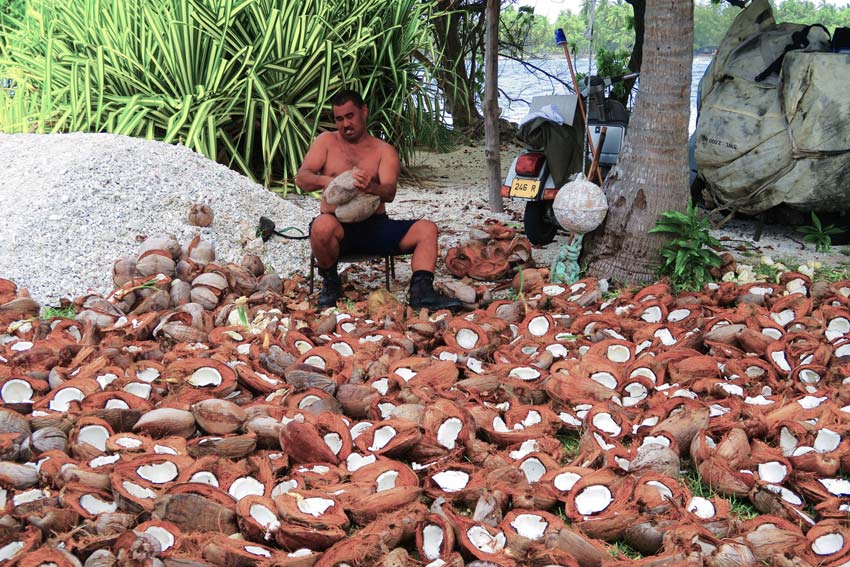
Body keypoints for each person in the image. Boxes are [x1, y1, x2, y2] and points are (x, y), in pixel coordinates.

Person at [295, 90, 461, 311]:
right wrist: (331, 182)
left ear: (364, 112)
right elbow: (302, 179)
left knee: (427, 229)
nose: (345, 124)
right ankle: (331, 285)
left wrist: (370, 187)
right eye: (339, 119)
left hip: (375, 227)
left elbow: (389, 193)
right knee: (321, 226)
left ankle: (422, 294)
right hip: (337, 229)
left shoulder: (384, 151)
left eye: (350, 116)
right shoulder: (325, 142)